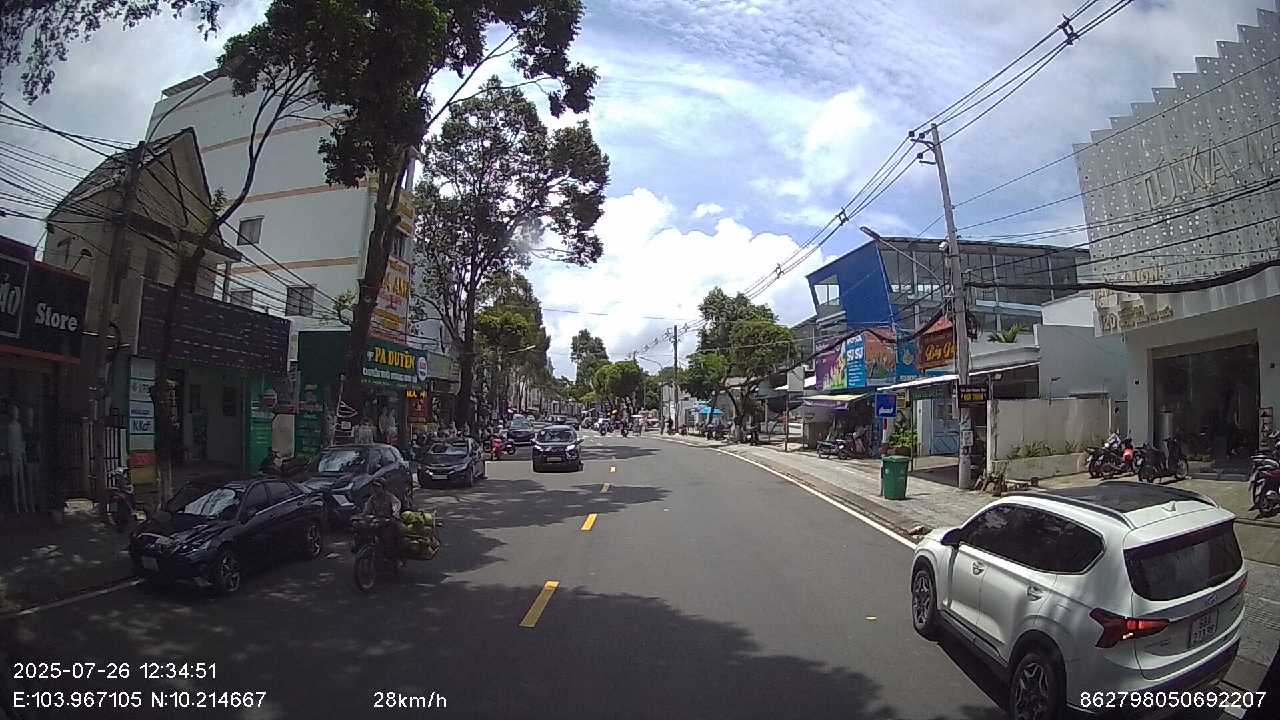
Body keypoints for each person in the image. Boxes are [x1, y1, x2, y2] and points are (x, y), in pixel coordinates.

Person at [362, 478, 404, 555]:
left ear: (383, 488)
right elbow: (367, 510)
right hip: (378, 520)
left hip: (389, 521)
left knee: (389, 537)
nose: (375, 489)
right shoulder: (372, 498)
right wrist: (363, 516)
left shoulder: (390, 497)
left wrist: (394, 515)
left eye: (378, 487)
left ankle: (394, 555)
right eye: (374, 487)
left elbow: (396, 507)